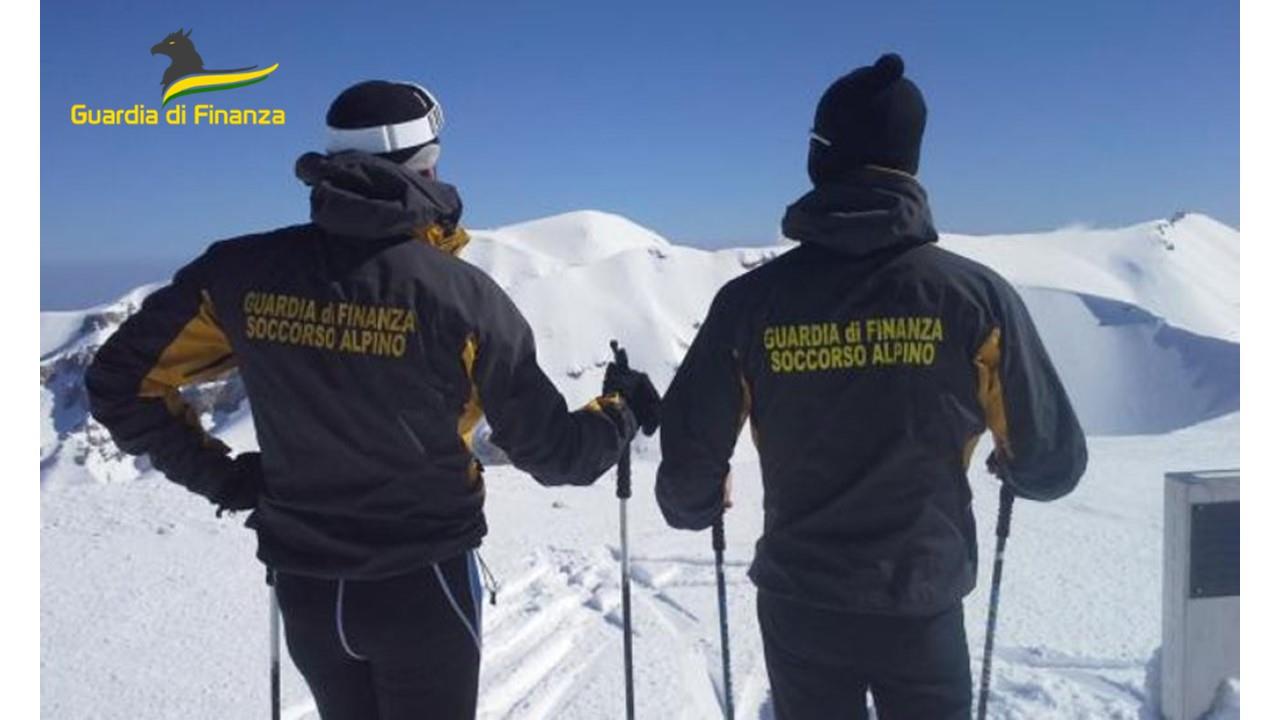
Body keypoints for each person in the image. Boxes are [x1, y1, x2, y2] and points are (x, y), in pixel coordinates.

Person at [85, 79, 661, 720]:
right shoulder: (462, 299)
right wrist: (621, 410)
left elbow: (122, 381)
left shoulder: (238, 272)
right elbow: (558, 456)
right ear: (426, 166)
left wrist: (230, 481)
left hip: (305, 585)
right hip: (425, 586)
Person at [655, 54, 1087, 719]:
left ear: (819, 158)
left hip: (801, 599)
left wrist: (699, 500)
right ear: (909, 162)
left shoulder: (749, 304)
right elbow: (1051, 462)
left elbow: (687, 479)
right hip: (922, 596)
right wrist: (1015, 464)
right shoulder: (974, 300)